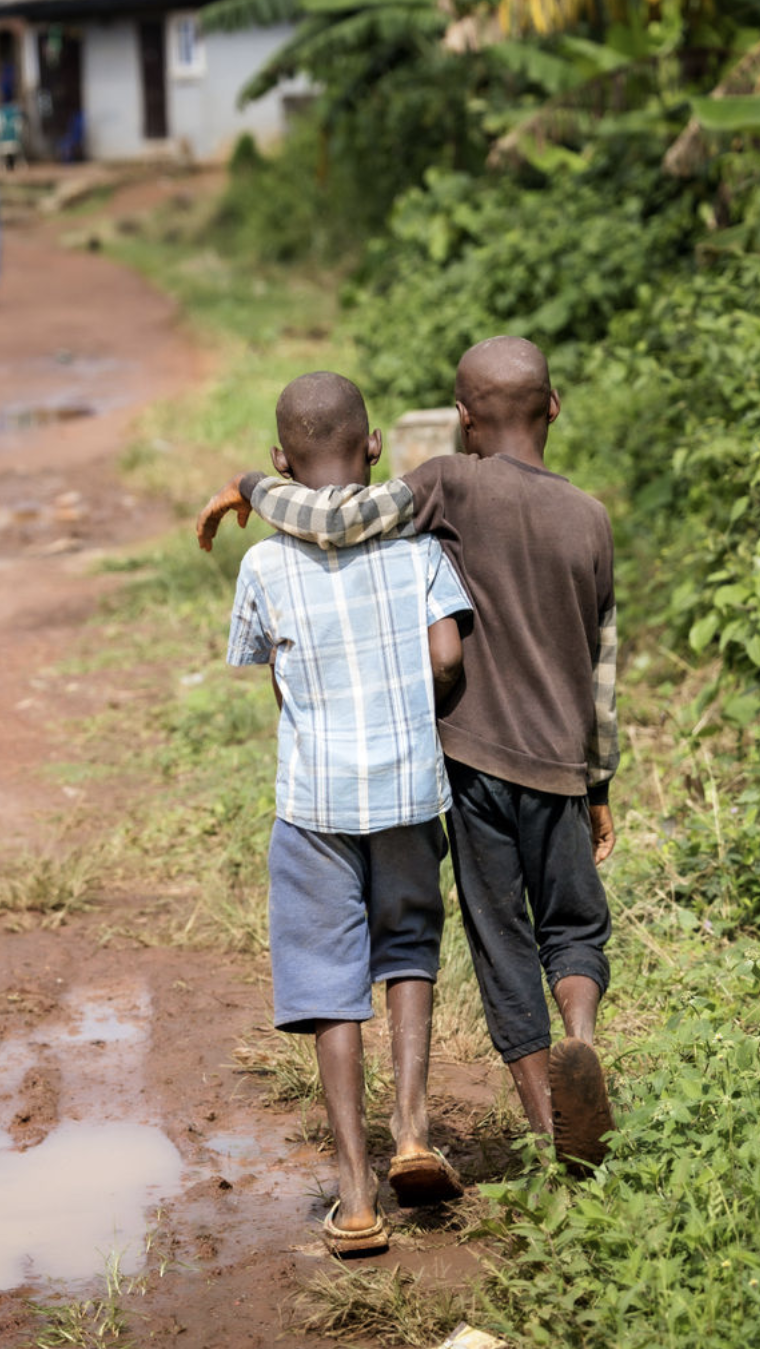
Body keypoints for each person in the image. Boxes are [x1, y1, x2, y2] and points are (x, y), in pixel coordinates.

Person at [196, 337, 620, 1173]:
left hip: (470, 762)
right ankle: (582, 1036)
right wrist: (599, 780)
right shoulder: (591, 518)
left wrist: (252, 484)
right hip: (563, 767)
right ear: (556, 405)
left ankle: (547, 1124)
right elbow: (605, 663)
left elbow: (335, 516)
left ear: (462, 418)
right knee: (573, 927)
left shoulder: (449, 484)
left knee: (502, 944)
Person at [225, 371, 476, 1254]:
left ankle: (358, 1194)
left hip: (314, 800)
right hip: (408, 788)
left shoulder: (262, 562)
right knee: (408, 947)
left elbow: (271, 675)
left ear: (278, 464)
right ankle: (411, 1132)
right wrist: (421, 707)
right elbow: (448, 657)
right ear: (374, 447)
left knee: (330, 977)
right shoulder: (417, 549)